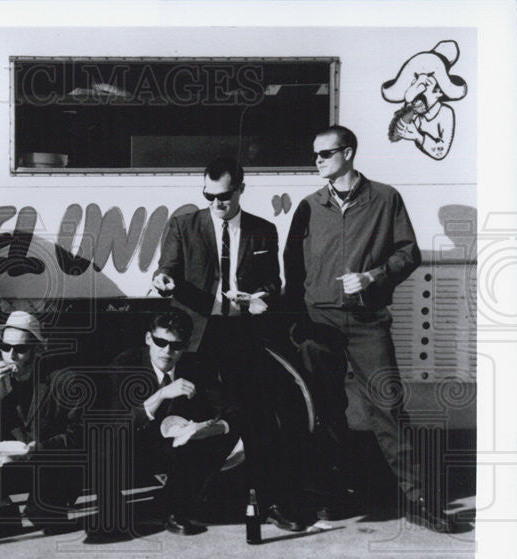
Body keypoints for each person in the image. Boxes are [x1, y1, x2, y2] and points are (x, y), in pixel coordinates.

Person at [283, 124, 451, 531]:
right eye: (315, 155)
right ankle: (332, 495)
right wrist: (297, 322)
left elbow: (408, 253)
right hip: (319, 321)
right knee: (325, 411)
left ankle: (419, 500)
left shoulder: (385, 199)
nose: (317, 161)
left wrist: (373, 277)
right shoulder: (309, 205)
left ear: (349, 153)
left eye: (324, 154)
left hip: (366, 320)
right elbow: (292, 265)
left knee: (388, 407)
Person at [152, 157, 302, 530]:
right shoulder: (183, 225)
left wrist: (260, 298)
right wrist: (163, 279)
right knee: (190, 422)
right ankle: (178, 508)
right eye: (209, 195)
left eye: (224, 196)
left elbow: (273, 283)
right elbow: (167, 267)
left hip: (241, 336)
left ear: (240, 189)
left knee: (258, 421)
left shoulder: (263, 230)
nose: (217, 203)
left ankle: (269, 503)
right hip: (197, 338)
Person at [106, 311, 240, 537]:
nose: (167, 351)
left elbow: (233, 411)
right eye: (160, 342)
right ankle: (110, 499)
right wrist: (160, 396)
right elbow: (113, 423)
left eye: (176, 346)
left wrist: (206, 429)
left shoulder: (196, 367)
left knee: (224, 433)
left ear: (186, 346)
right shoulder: (125, 365)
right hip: (131, 450)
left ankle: (176, 504)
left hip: (174, 448)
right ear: (149, 338)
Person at [0, 311, 83, 537]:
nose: (11, 355)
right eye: (5, 347)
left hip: (47, 465)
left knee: (45, 520)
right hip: (5, 466)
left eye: (21, 349)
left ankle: (45, 504)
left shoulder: (63, 380)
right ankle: (2, 508)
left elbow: (78, 436)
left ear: (38, 350)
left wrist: (40, 449)